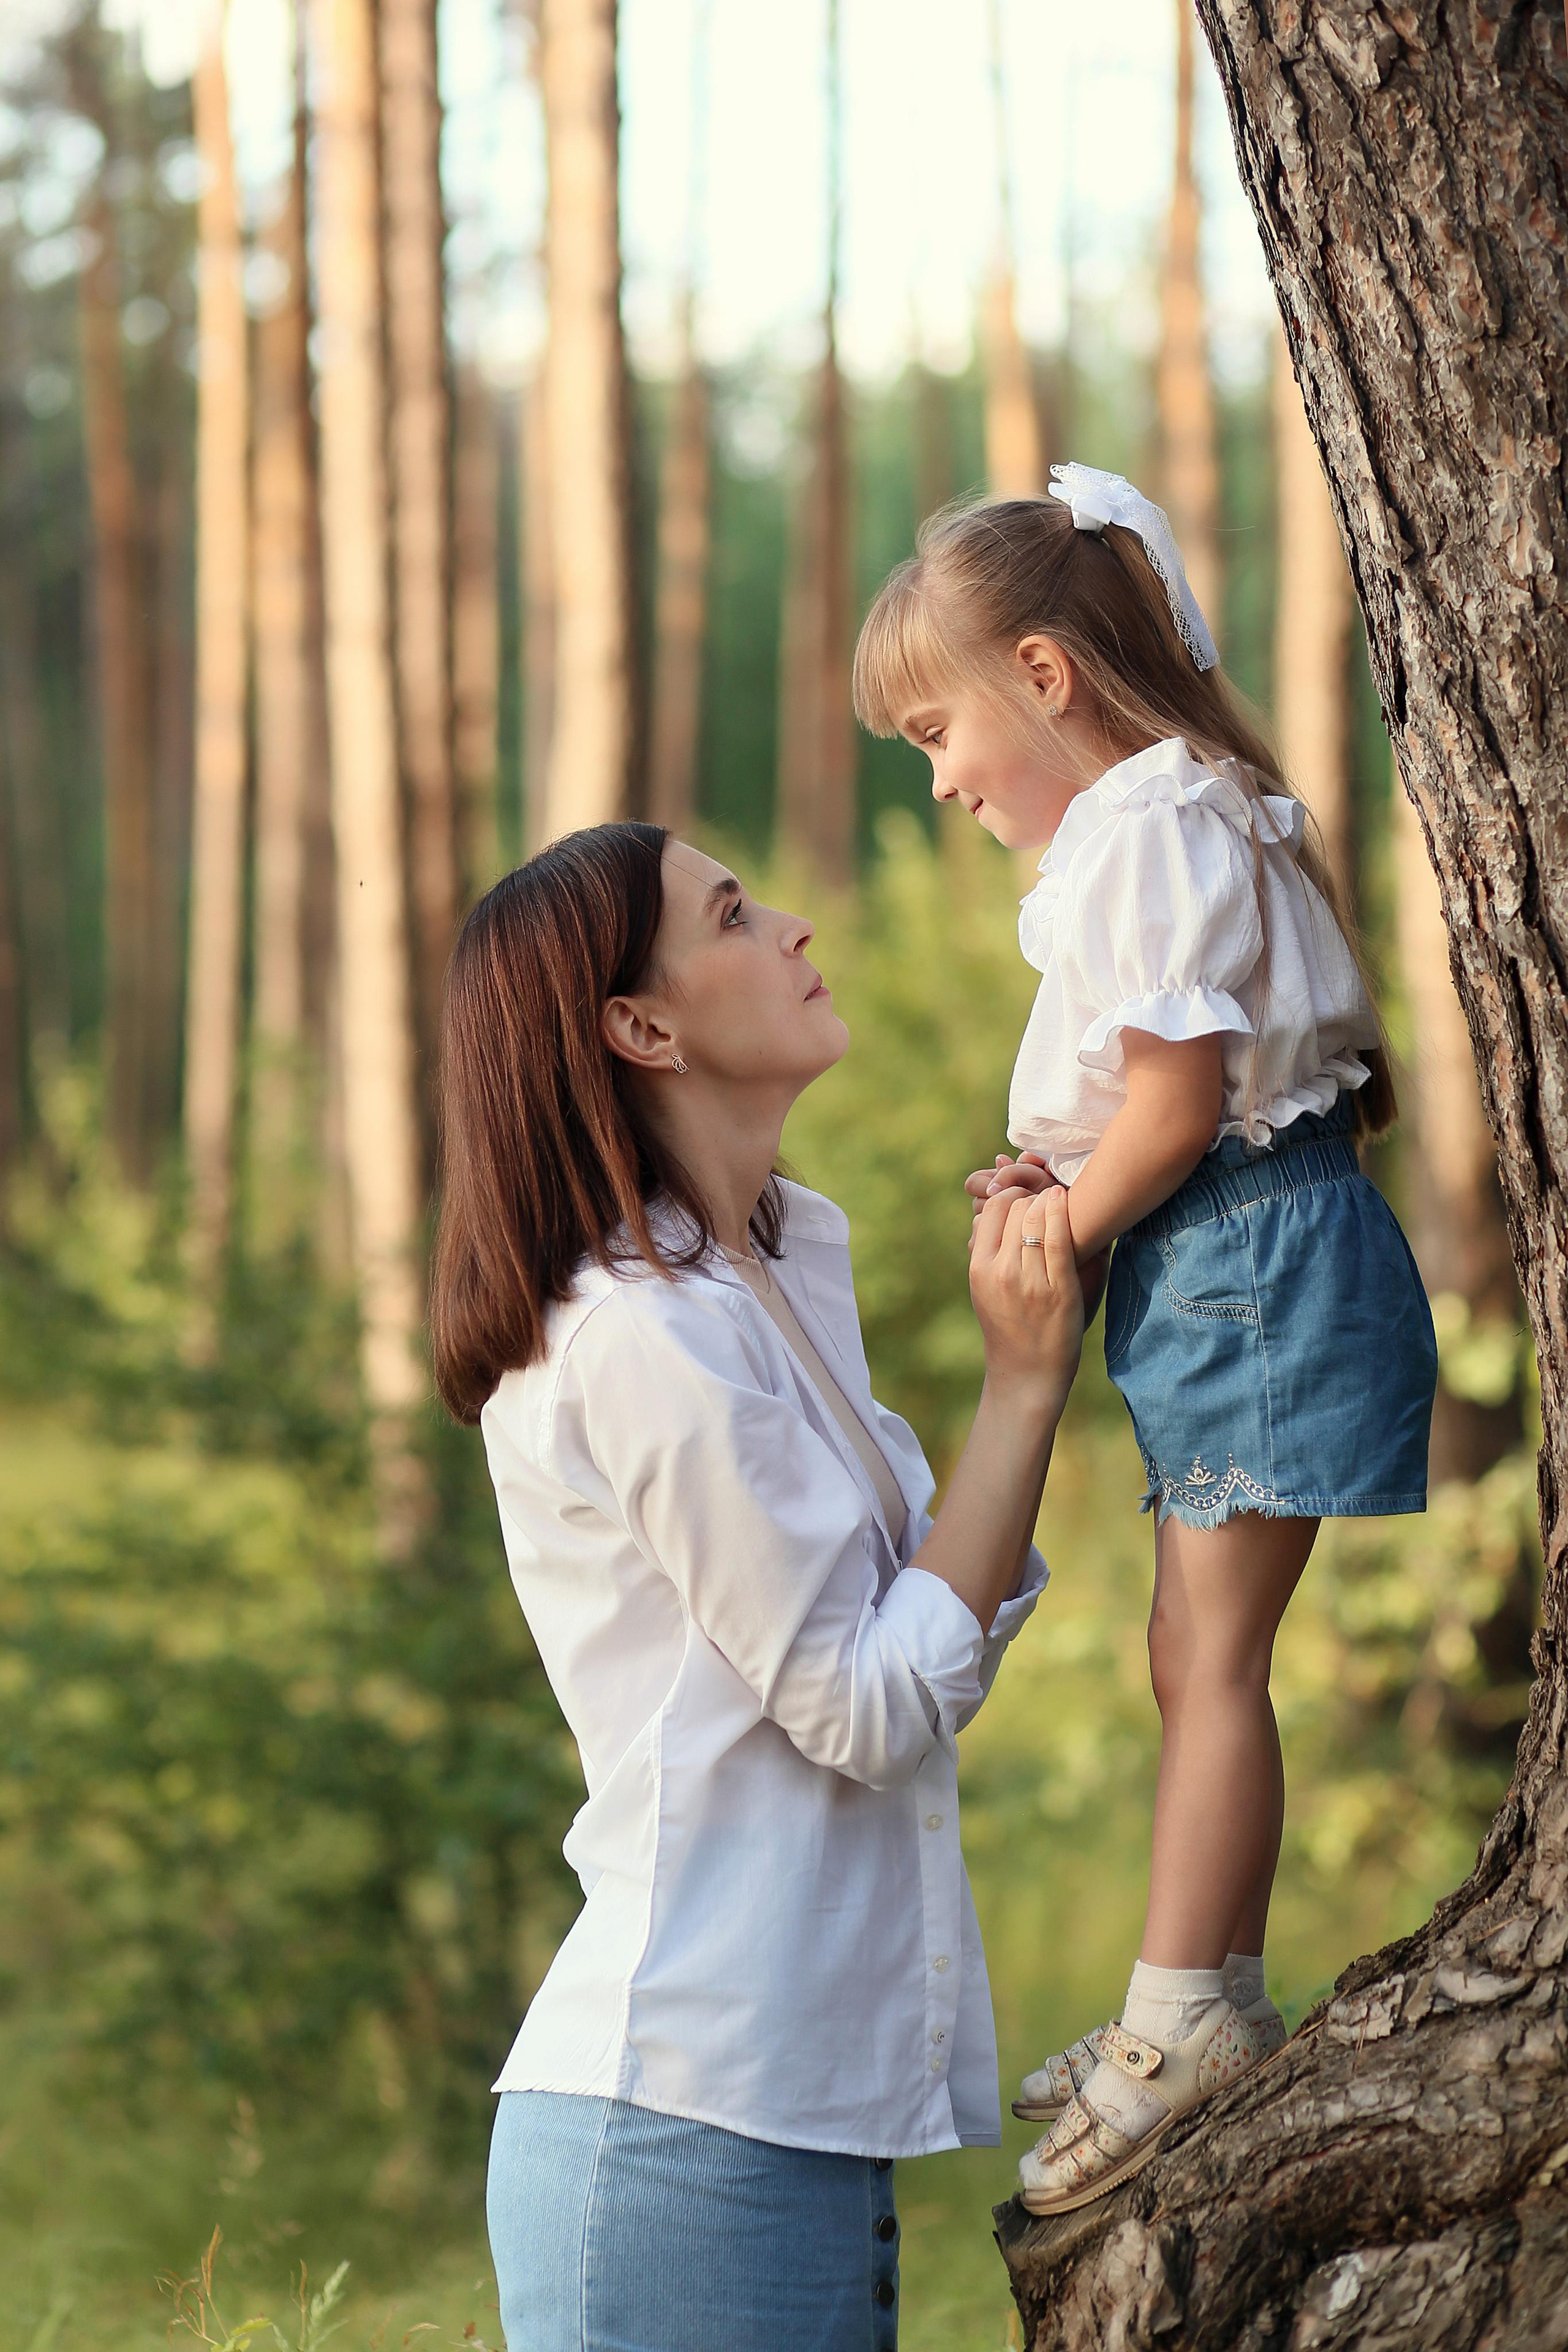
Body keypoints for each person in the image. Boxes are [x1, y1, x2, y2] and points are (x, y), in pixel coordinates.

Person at [853, 465, 1438, 2216]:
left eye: (938, 732)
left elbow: (1182, 1102)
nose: (942, 780)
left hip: (1245, 1259)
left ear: (1043, 676)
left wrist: (1066, 1227)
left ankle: (1183, 2022)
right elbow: (1171, 1087)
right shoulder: (1160, 822)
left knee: (1212, 1662)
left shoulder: (1152, 823)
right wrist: (1068, 1168)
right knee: (1191, 1658)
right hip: (1228, 1256)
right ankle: (1201, 1995)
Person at [429, 821, 1089, 2349]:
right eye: (732, 913)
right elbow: (871, 1704)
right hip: (681, 2134)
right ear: (639, 1028)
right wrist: (1020, 1384)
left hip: (774, 2130)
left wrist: (1028, 1366)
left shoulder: (771, 1277)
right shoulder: (640, 1337)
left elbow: (930, 1639)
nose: (793, 924)